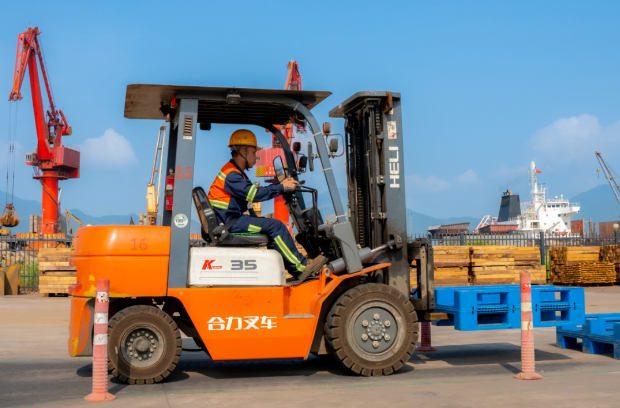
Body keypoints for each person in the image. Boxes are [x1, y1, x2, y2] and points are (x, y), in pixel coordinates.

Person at [207, 129, 326, 282]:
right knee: (276, 226)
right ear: (243, 152)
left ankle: (293, 266)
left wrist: (279, 187)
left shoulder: (234, 172)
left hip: (229, 220)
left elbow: (251, 194)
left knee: (270, 225)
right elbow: (255, 194)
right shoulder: (232, 174)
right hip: (230, 223)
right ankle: (300, 268)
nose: (256, 157)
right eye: (254, 152)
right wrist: (281, 187)